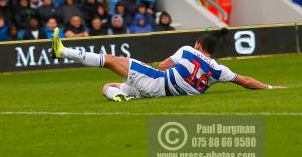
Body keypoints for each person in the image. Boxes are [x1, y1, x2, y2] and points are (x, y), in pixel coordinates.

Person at [51, 31, 285, 101]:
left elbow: (162, 66)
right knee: (108, 86)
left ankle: (63, 51)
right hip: (160, 93)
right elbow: (244, 81)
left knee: (112, 60)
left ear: (199, 44)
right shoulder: (218, 69)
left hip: (157, 82)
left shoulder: (188, 50)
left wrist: (146, 71)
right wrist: (269, 88)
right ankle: (125, 98)